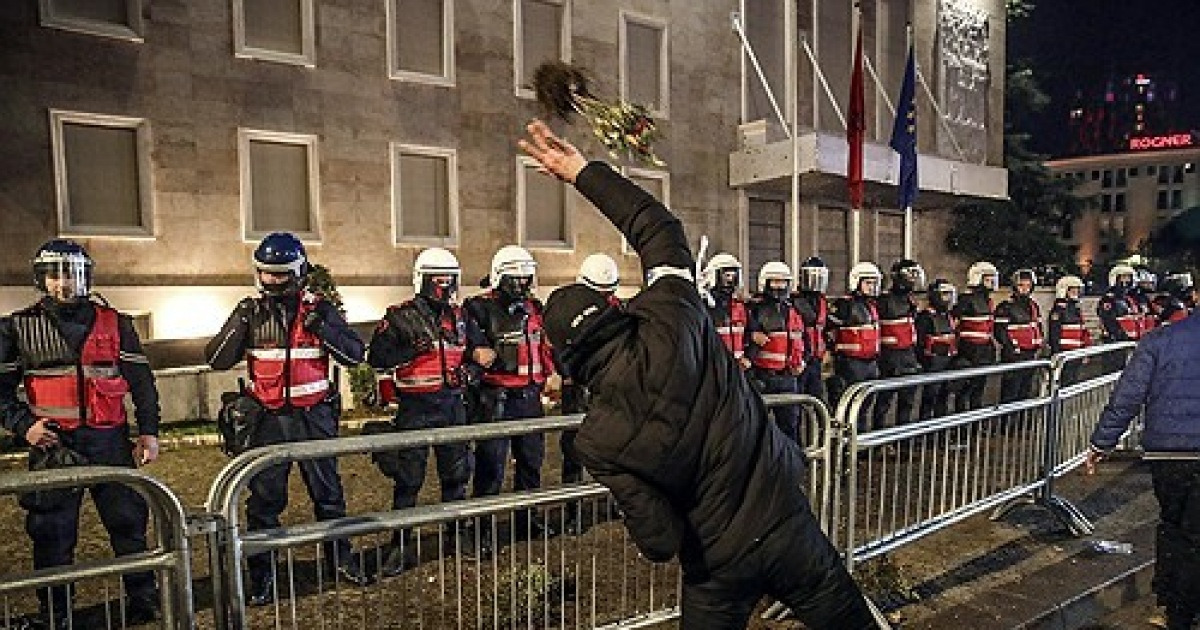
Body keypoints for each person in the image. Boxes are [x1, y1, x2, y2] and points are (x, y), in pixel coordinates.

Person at [519, 120, 875, 630]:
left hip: (715, 563)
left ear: (565, 357)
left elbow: (659, 541)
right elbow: (658, 227)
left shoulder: (597, 441)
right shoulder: (674, 312)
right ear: (611, 307)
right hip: (785, 519)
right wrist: (580, 172)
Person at [205, 232, 372, 606]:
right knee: (264, 503)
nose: (273, 281)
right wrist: (240, 322)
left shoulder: (321, 310)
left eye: (281, 274)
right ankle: (262, 577)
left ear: (298, 272)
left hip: (313, 418)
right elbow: (215, 357)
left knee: (328, 496)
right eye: (266, 274)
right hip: (267, 421)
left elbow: (355, 354)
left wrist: (323, 328)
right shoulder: (250, 311)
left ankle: (339, 560)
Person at [0, 240, 161, 628]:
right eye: (55, 275)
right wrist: (25, 426)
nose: (64, 283)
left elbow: (141, 382)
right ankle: (57, 613)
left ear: (87, 277)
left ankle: (144, 599)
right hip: (54, 444)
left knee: (128, 525)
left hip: (110, 441)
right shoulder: (17, 327)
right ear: (42, 279)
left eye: (73, 274)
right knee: (51, 534)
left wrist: (149, 432)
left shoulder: (116, 323)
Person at [1086, 282, 1200, 630]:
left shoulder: (1160, 340)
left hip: (1169, 454)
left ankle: (1176, 609)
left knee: (1175, 529)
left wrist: (1101, 443)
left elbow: (1127, 396)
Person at [366, 247, 483, 576]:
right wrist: (407, 350)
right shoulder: (399, 316)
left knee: (456, 476)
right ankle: (400, 544)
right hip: (415, 408)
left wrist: (471, 374)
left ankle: (457, 535)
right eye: (439, 280)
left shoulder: (460, 316)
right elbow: (377, 358)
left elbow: (480, 355)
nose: (445, 287)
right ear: (423, 280)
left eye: (450, 280)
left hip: (452, 405)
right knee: (408, 481)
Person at [464, 245, 558, 547]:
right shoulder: (478, 308)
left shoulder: (534, 309)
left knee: (531, 463)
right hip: (497, 396)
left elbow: (544, 345)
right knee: (491, 467)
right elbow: (467, 343)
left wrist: (552, 371)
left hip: (529, 395)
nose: (522, 286)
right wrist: (477, 352)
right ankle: (482, 531)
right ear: (498, 278)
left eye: (526, 280)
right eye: (515, 280)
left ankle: (527, 521)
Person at [560, 253, 621, 535]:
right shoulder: (566, 312)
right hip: (578, 390)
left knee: (615, 449)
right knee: (574, 451)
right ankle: (572, 511)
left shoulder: (617, 311)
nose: (605, 298)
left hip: (610, 392)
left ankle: (615, 502)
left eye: (609, 292)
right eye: (600, 293)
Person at [746, 261, 807, 444]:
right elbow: (742, 337)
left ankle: (791, 465)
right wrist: (751, 336)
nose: (779, 286)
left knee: (790, 426)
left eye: (783, 282)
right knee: (759, 428)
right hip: (763, 377)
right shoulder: (755, 309)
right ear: (765, 282)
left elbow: (803, 340)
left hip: (789, 377)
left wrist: (803, 361)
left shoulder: (793, 310)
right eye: (775, 282)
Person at [827, 263, 883, 430]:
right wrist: (832, 351)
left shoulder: (871, 306)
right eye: (868, 283)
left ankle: (860, 445)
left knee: (864, 405)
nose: (872, 287)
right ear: (856, 282)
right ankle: (846, 445)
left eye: (874, 283)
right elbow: (827, 328)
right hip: (851, 363)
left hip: (870, 362)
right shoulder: (844, 305)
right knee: (849, 406)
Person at [873, 259, 924, 427]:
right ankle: (879, 440)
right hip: (890, 356)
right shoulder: (884, 300)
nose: (913, 280)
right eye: (910, 275)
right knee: (884, 401)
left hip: (908, 354)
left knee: (908, 401)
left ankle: (903, 442)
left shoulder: (910, 300)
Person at [953, 261, 999, 412]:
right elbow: (954, 324)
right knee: (964, 390)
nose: (991, 283)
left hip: (984, 350)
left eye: (993, 279)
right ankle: (961, 426)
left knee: (979, 389)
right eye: (987, 279)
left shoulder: (989, 301)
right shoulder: (965, 300)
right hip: (968, 350)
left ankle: (975, 427)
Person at [993, 268, 1044, 402]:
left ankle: (1021, 422)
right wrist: (1012, 349)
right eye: (1021, 285)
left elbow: (1038, 327)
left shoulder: (1034, 306)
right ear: (1015, 286)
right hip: (1014, 356)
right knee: (1010, 393)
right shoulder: (1005, 307)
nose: (1025, 289)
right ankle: (1006, 422)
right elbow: (1000, 332)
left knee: (1025, 393)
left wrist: (1039, 346)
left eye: (1028, 285)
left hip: (1030, 354)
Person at [914, 279, 959, 419]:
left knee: (943, 398)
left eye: (950, 295)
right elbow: (919, 342)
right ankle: (924, 431)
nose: (948, 299)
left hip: (947, 360)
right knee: (929, 399)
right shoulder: (925, 317)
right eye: (945, 294)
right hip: (932, 362)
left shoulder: (948, 316)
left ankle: (939, 435)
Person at [701, 253, 753, 368]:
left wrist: (748, 357)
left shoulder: (741, 307)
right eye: (726, 275)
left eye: (733, 276)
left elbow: (750, 334)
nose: (730, 280)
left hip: (738, 368)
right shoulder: (705, 307)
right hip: (713, 368)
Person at [792, 257, 830, 403]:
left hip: (817, 359)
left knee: (817, 400)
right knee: (798, 399)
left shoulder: (822, 301)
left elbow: (825, 329)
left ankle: (816, 426)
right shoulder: (794, 300)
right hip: (801, 358)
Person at [1046, 275, 1092, 386]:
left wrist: (1085, 350)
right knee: (1062, 384)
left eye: (1077, 289)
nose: (1076, 292)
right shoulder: (1058, 310)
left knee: (1072, 383)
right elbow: (1054, 334)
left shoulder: (1076, 309)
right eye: (1072, 289)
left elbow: (1083, 331)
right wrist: (1056, 353)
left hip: (1075, 353)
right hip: (1064, 353)